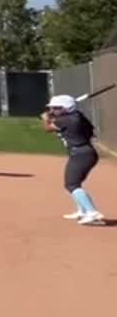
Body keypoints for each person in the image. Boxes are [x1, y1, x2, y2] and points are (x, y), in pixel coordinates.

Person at [43, 94, 102, 226]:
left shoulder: (66, 120)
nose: (53, 111)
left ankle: (92, 212)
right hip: (85, 153)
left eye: (56, 108)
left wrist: (46, 119)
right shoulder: (77, 116)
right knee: (75, 184)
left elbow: (47, 129)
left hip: (81, 154)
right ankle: (82, 210)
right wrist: (54, 115)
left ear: (67, 108)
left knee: (72, 184)